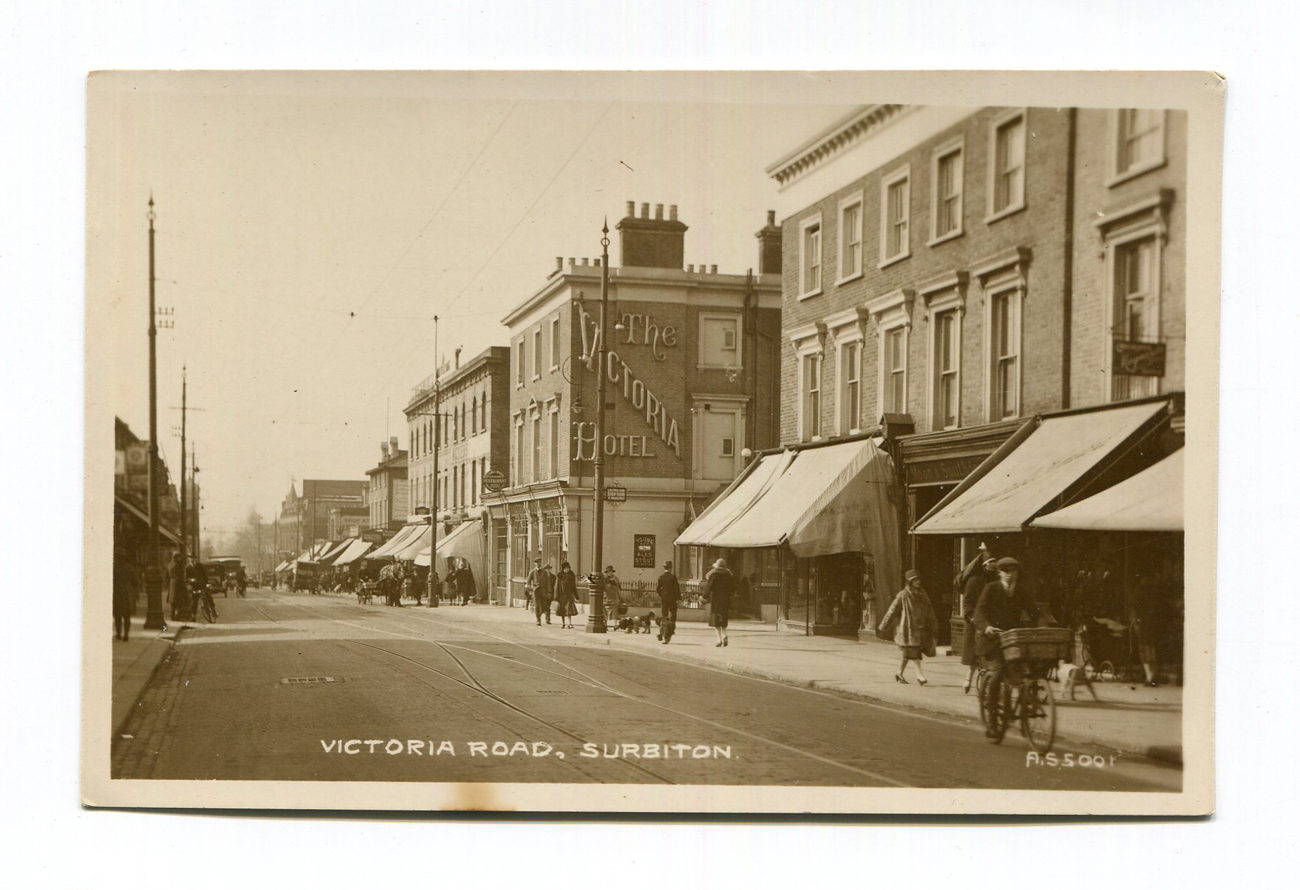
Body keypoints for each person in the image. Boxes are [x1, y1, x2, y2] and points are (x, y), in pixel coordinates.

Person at [972, 557, 1047, 738]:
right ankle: (992, 721)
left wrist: (1042, 625)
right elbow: (979, 613)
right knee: (997, 675)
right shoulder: (990, 589)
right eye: (1005, 571)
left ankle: (1023, 715)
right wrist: (987, 627)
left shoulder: (1020, 591)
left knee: (1024, 676)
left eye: (1013, 571)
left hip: (1013, 641)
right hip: (994, 641)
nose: (1009, 575)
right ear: (999, 573)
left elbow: (1033, 611)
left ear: (1017, 573)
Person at [879, 569, 938, 685]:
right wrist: (883, 625)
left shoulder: (923, 594)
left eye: (918, 580)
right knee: (914, 652)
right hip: (907, 629)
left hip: (920, 629)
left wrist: (934, 623)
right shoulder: (903, 595)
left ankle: (899, 673)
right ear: (910, 582)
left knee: (908, 654)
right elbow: (892, 611)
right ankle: (919, 675)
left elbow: (929, 610)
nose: (918, 582)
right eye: (915, 580)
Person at [960, 552, 1000, 693]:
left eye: (994, 561)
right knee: (974, 653)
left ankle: (987, 678)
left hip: (990, 620)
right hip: (974, 620)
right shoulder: (973, 581)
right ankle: (969, 677)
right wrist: (971, 616)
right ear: (984, 565)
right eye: (990, 562)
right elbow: (967, 601)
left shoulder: (996, 580)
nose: (993, 564)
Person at [703, 558, 734, 647]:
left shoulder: (714, 575)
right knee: (723, 619)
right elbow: (734, 587)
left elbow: (709, 587)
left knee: (716, 621)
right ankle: (725, 635)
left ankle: (719, 640)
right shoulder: (729, 575)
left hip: (716, 600)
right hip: (726, 600)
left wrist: (704, 596)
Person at [113, 548, 138, 641]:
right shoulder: (130, 567)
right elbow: (135, 581)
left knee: (117, 615)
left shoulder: (114, 568)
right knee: (127, 616)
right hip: (128, 593)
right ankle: (126, 634)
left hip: (117, 593)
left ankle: (119, 633)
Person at [656, 560, 680, 643]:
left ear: (664, 568)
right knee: (673, 615)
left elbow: (658, 589)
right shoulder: (673, 577)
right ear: (670, 568)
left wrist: (661, 595)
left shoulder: (661, 577)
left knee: (664, 616)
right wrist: (678, 597)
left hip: (664, 599)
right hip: (672, 599)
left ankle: (662, 631)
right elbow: (676, 588)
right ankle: (671, 629)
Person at [554, 561, 579, 628]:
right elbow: (556, 586)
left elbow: (574, 587)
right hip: (561, 596)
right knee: (562, 610)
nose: (567, 569)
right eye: (565, 568)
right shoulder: (559, 576)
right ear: (563, 569)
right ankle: (563, 623)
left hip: (569, 595)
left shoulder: (571, 576)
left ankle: (569, 623)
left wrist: (577, 596)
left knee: (569, 610)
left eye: (568, 568)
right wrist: (556, 596)